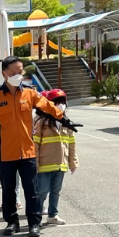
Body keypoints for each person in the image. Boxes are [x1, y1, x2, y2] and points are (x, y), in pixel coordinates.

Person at [0, 56, 76, 237]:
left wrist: (65, 119)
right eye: (13, 73)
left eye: (20, 72)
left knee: (32, 191)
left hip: (28, 152)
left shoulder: (30, 93)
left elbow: (48, 106)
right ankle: (12, 222)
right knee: (9, 191)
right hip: (6, 153)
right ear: (4, 74)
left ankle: (34, 223)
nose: (17, 75)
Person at [34, 89, 78, 226]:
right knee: (41, 192)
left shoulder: (67, 124)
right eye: (57, 102)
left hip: (61, 163)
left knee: (55, 191)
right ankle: (37, 217)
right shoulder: (41, 122)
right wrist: (34, 163)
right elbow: (35, 144)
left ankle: (53, 215)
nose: (61, 105)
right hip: (44, 164)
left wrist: (73, 162)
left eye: (63, 102)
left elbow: (71, 144)